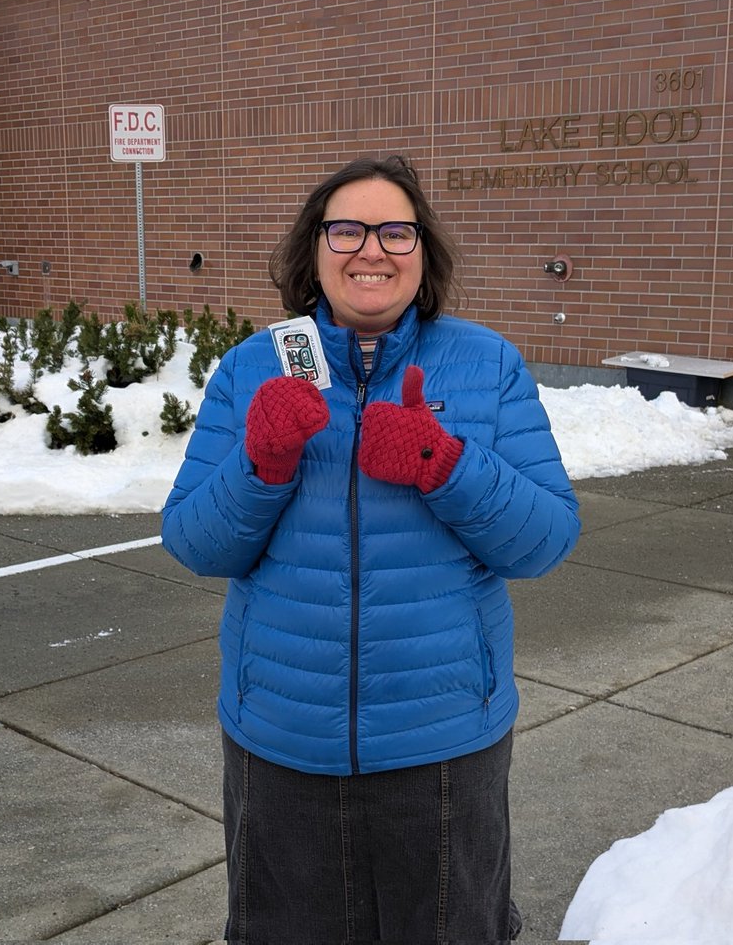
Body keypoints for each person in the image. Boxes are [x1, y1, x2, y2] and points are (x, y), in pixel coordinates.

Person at [162, 154, 580, 944]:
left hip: (444, 744)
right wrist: (263, 465)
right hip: (283, 741)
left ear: (423, 255)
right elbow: (195, 541)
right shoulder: (253, 368)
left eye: (396, 230)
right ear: (314, 251)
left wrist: (444, 464)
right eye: (347, 228)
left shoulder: (487, 365)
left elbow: (545, 541)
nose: (371, 249)